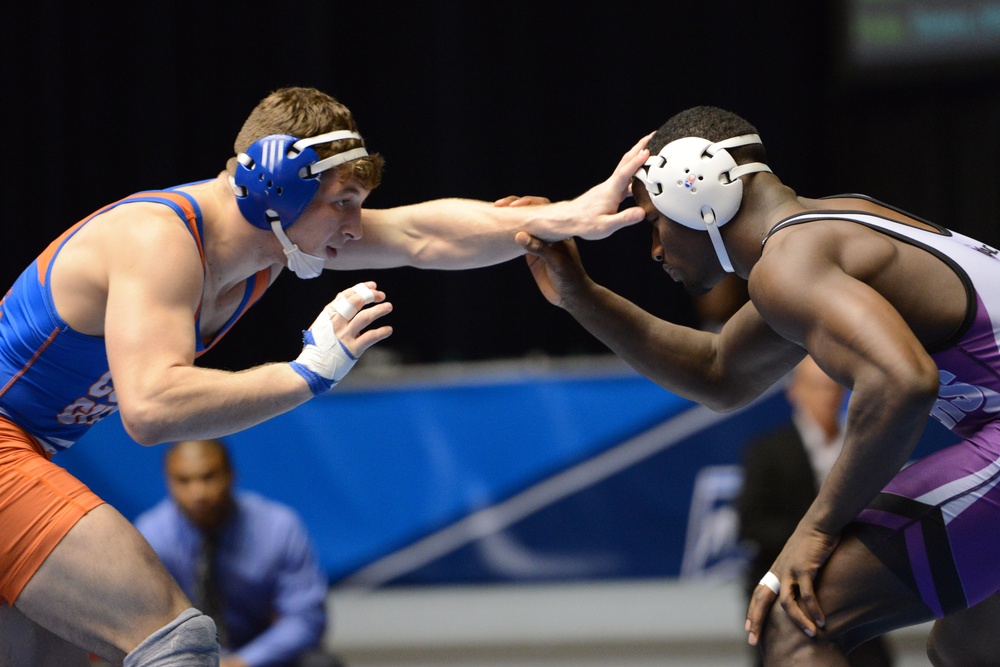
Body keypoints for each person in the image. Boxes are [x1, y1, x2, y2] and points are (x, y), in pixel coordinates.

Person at [0, 85, 649, 665]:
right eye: (343, 203)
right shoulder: (158, 241)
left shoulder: (274, 240)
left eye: (357, 204)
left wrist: (562, 214)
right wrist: (309, 372)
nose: (353, 225)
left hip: (24, 448)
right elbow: (151, 406)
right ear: (275, 188)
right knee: (172, 639)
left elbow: (423, 236)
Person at [514, 104, 1000, 665]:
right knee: (970, 646)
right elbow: (719, 372)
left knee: (795, 621)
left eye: (653, 220)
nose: (654, 249)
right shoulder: (834, 225)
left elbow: (901, 383)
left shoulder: (789, 263)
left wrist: (815, 530)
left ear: (694, 190)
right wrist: (582, 295)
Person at [736, 357, 893, 667]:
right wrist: (818, 538)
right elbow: (752, 524)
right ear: (795, 391)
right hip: (787, 585)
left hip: (855, 584)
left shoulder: (861, 446)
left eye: (834, 387)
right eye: (818, 387)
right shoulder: (768, 451)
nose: (828, 396)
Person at [135, 439, 340, 667]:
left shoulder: (278, 527)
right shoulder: (151, 537)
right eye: (184, 480)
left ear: (230, 474)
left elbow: (306, 619)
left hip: (263, 657)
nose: (198, 493)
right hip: (183, 658)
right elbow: (144, 625)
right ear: (168, 481)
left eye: (209, 477)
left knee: (320, 664)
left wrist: (242, 662)